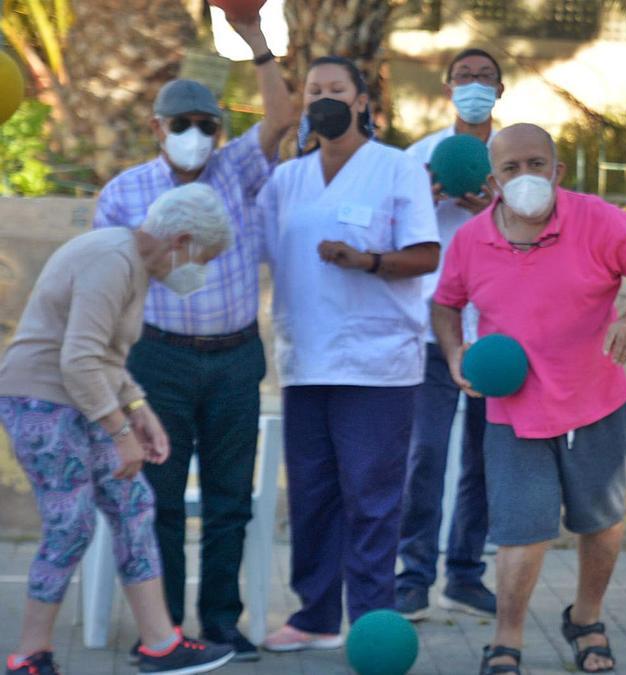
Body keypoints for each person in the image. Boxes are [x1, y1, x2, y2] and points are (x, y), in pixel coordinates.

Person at [433, 123, 626, 674]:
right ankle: (507, 639)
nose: (526, 177)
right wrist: (454, 353)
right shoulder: (471, 239)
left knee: (602, 523)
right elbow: (445, 304)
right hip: (513, 412)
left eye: (536, 164)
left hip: (596, 401)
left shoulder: (598, 219)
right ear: (492, 181)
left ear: (557, 170)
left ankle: (586, 618)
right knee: (523, 532)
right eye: (511, 168)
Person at [91, 13, 290, 660]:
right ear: (156, 128)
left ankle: (223, 621)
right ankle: (169, 627)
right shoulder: (123, 194)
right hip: (159, 360)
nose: (195, 135)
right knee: (163, 499)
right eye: (181, 124)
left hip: (235, 357)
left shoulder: (237, 172)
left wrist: (256, 38)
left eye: (207, 125)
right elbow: (105, 286)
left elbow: (284, 118)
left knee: (232, 497)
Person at [0, 185, 237, 675]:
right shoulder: (113, 259)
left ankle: (159, 642)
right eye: (204, 258)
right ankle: (28, 655)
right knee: (72, 525)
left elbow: (104, 357)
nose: (202, 271)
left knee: (134, 505)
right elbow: (79, 359)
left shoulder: (133, 263)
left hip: (78, 398)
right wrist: (121, 431)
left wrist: (137, 406)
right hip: (41, 400)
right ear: (183, 240)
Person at [255, 55, 439, 652]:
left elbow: (426, 255)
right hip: (305, 359)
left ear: (362, 100)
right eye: (313, 91)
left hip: (378, 364)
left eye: (336, 89)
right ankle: (313, 617)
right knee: (311, 494)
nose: (323, 99)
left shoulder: (395, 168)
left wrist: (368, 261)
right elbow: (250, 248)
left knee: (371, 495)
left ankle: (370, 623)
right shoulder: (286, 180)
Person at [394, 47, 504, 622]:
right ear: (447, 89)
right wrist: (426, 197)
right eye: (464, 77)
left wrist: (494, 205)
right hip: (431, 331)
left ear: (500, 91)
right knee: (425, 455)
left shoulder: (513, 160)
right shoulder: (417, 156)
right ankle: (412, 577)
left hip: (496, 333)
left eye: (485, 78)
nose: (474, 86)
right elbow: (394, 228)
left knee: (483, 460)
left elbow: (540, 226)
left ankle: (464, 575)